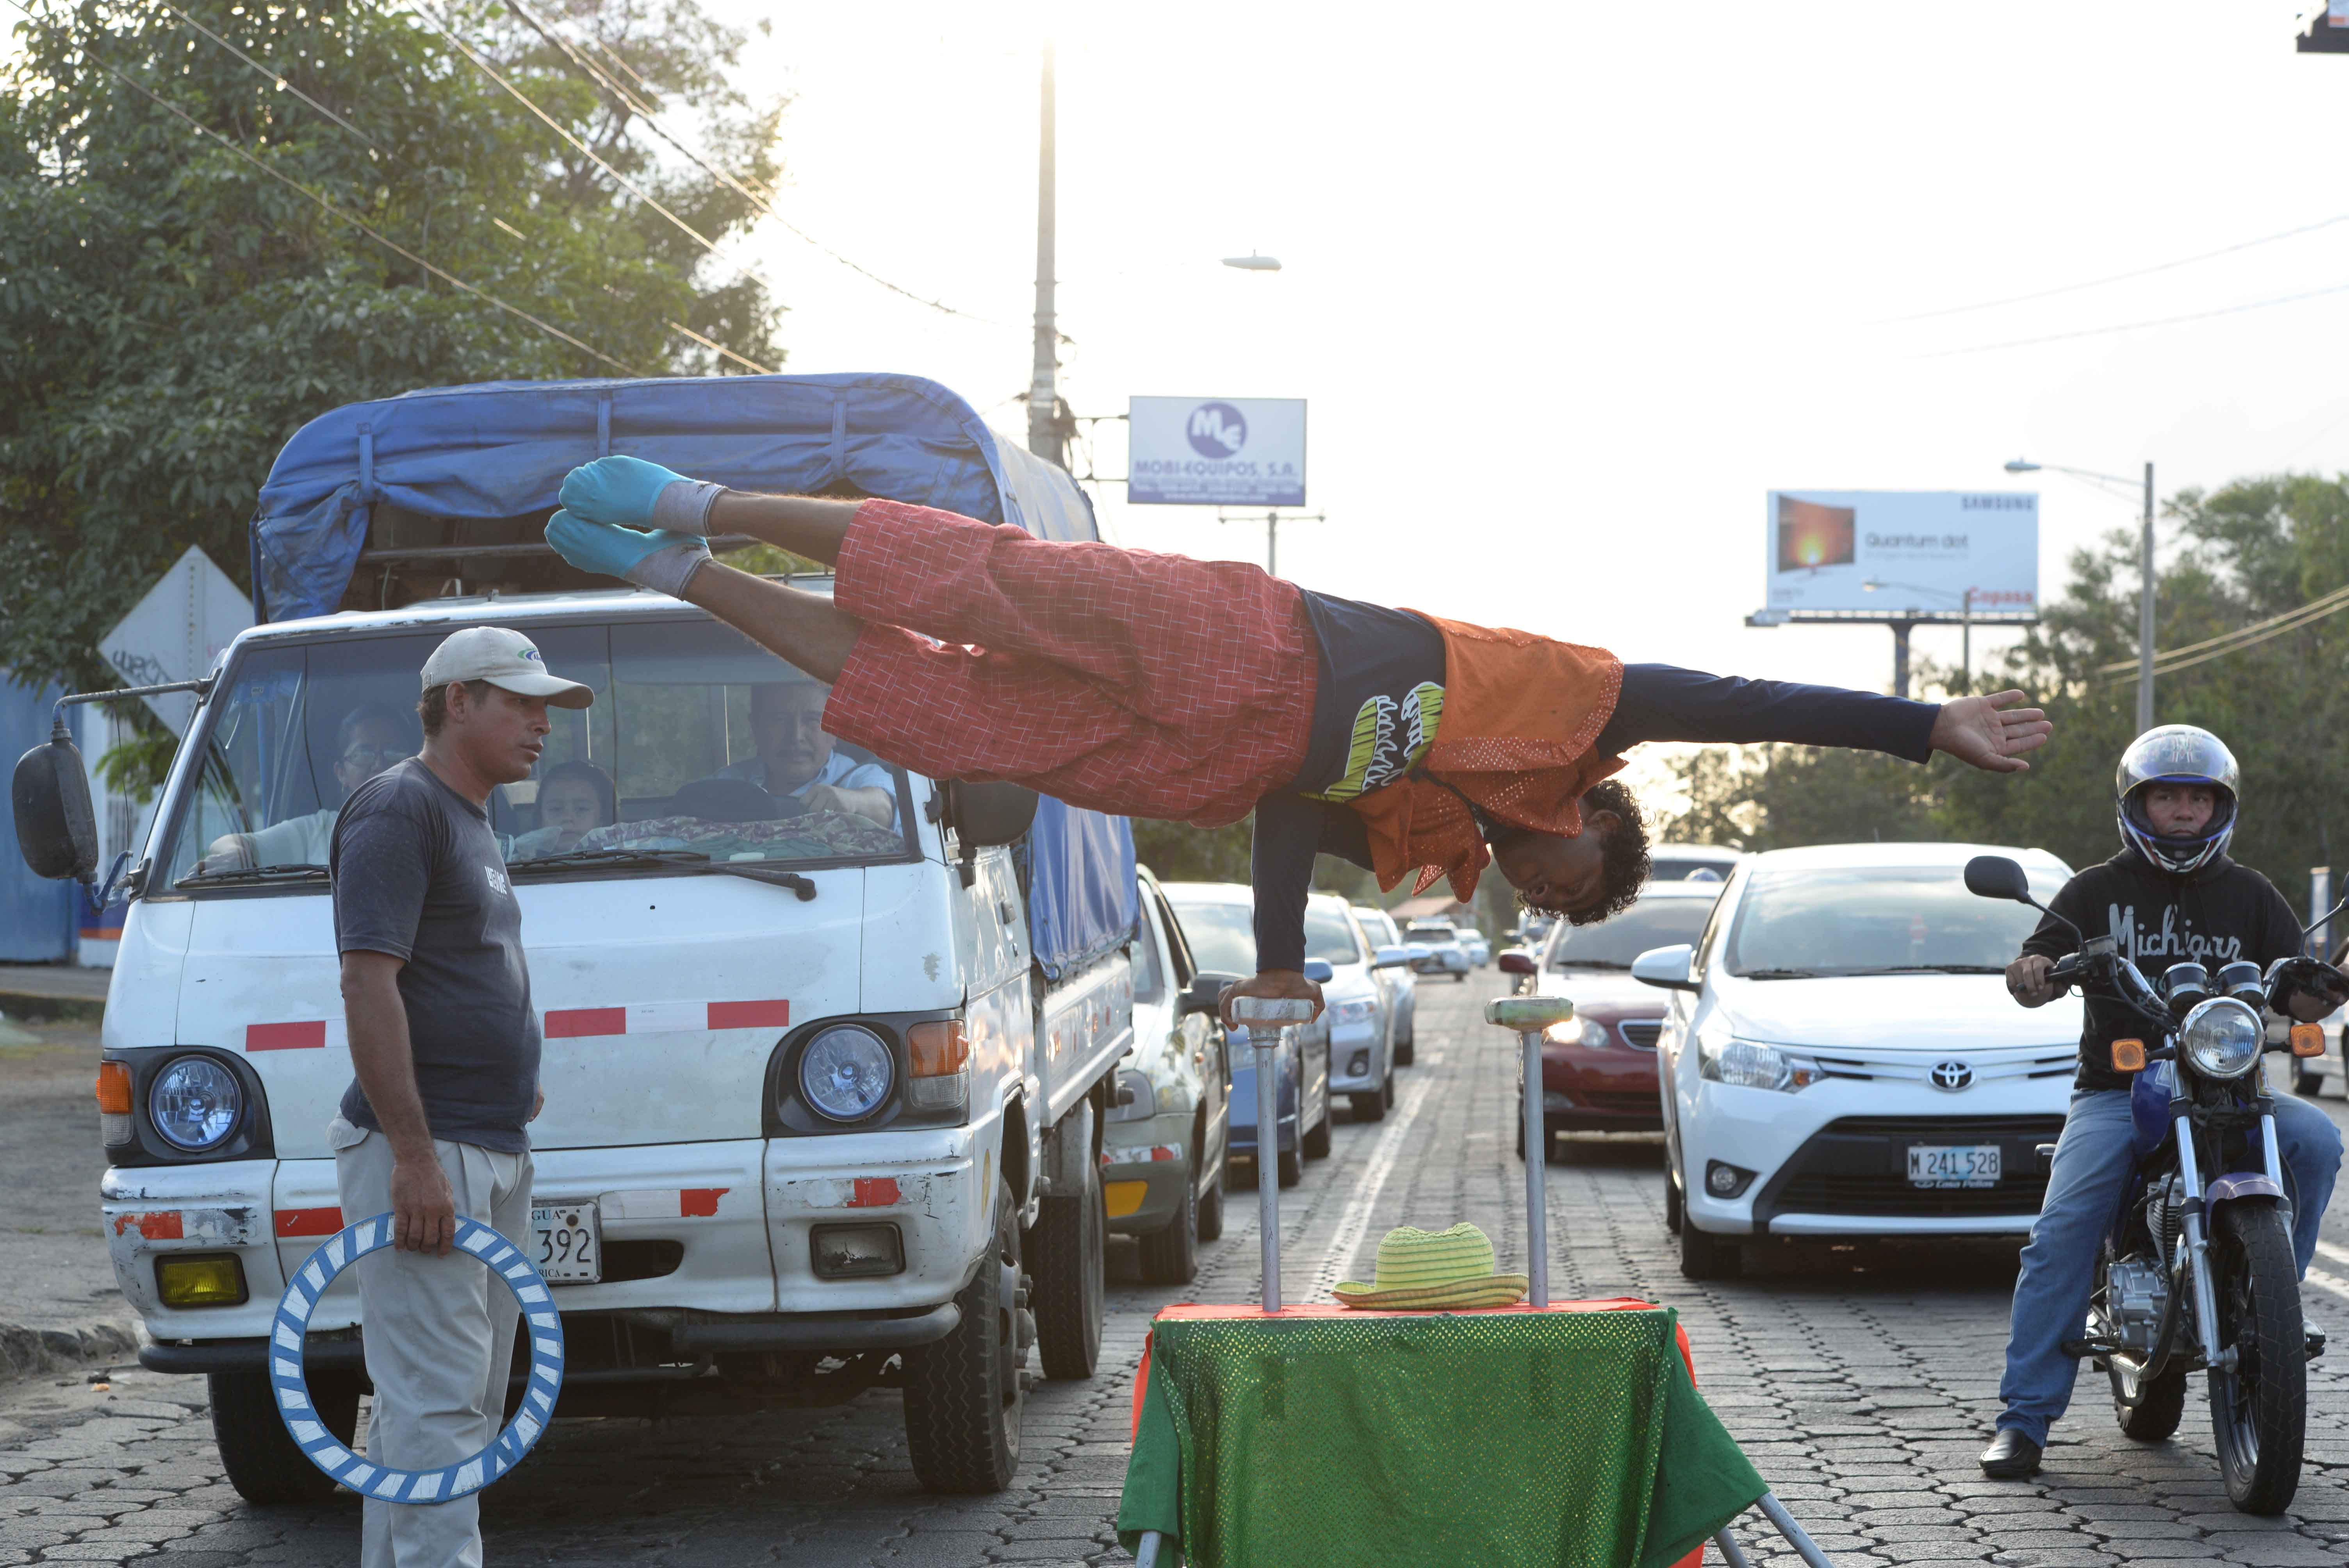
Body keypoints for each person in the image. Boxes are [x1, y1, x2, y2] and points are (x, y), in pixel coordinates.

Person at [541, 457, 2052, 1024]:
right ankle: (696, 502)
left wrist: (1274, 967)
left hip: (1207, 762)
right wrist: (1925, 721)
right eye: (1583, 887)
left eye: (1565, 916)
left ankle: (678, 577)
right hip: (1260, 641)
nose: (1555, 901)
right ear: (1597, 818)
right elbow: (1752, 702)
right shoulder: (1587, 708)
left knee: (940, 713)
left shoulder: (1433, 848)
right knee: (992, 580)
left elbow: (1280, 823)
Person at [1979, 725, 2346, 1481]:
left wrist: (2322, 986)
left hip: (2232, 1090)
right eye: (2167, 796)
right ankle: (2023, 1419)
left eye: (2198, 798)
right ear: (2137, 804)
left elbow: (2299, 986)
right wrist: (2036, 970)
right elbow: (2037, 961)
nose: (2183, 811)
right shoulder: (2093, 889)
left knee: (2315, 1141)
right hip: (2121, 1091)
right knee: (2062, 1229)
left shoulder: (2252, 893)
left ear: (2220, 808)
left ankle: (2268, 1308)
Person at [330, 625, 592, 1567]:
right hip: (430, 1150)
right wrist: (412, 1155)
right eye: (519, 701)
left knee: (454, 1402)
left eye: (545, 706)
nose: (540, 723)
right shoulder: (402, 808)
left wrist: (509, 1076)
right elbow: (369, 981)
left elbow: (455, 974)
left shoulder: (472, 816)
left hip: (483, 1141)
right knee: (440, 1402)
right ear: (455, 702)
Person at [201, 702, 412, 871]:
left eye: (393, 752)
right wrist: (239, 859)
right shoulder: (317, 831)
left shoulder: (434, 828)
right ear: (341, 773)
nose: (380, 764)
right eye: (364, 753)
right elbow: (228, 844)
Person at [711, 681, 896, 826]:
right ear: (756, 728)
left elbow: (885, 808)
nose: (796, 737)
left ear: (836, 730)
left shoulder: (860, 778)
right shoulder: (726, 783)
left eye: (812, 720)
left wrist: (853, 802)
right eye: (779, 720)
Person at [510, 759, 615, 857]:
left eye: (582, 809)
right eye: (556, 809)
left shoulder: (622, 864)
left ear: (602, 817)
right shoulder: (515, 867)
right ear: (540, 817)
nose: (567, 818)